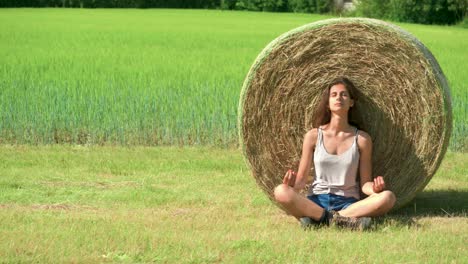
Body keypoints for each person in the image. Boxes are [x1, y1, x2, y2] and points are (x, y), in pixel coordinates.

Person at [273, 77, 396, 230]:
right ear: (328, 104)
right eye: (334, 95)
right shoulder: (313, 136)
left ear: (351, 102)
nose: (339, 98)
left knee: (388, 197)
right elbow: (301, 181)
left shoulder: (362, 139)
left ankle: (318, 220)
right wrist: (290, 184)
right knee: (280, 191)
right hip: (316, 200)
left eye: (344, 94)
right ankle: (342, 221)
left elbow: (365, 184)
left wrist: (375, 190)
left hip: (348, 203)